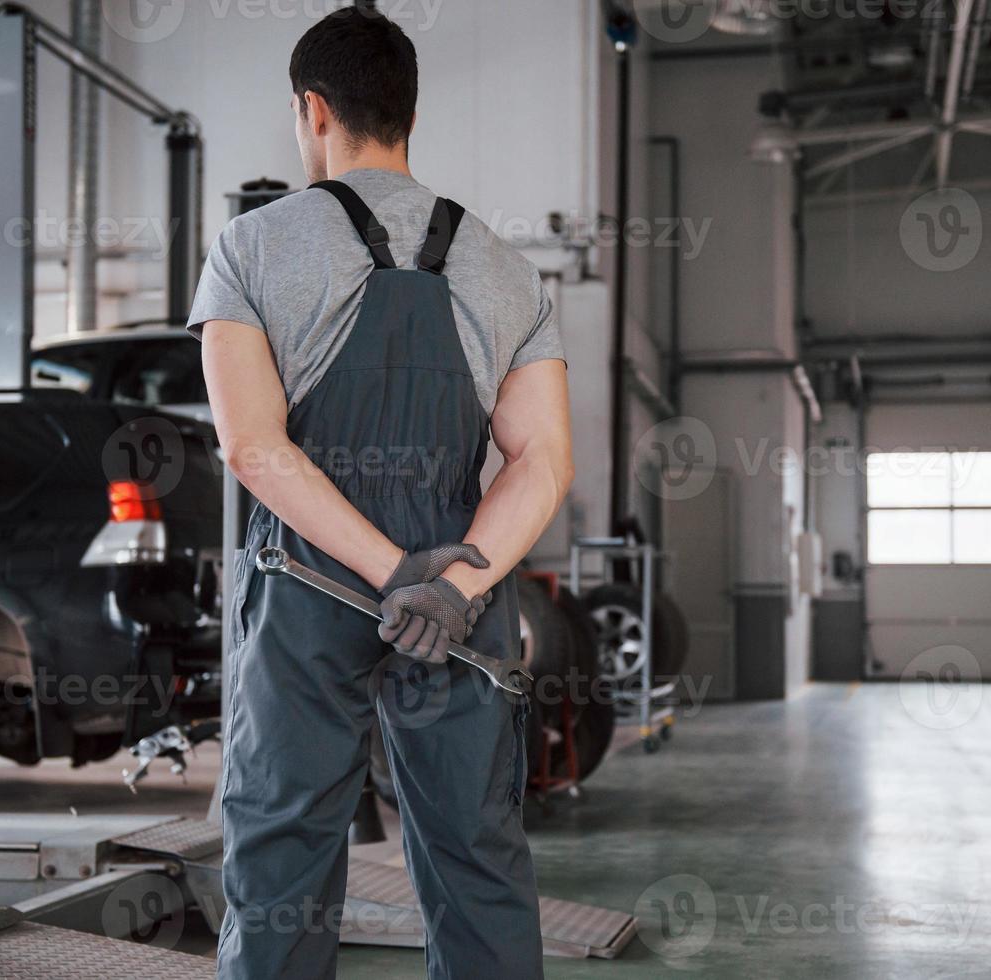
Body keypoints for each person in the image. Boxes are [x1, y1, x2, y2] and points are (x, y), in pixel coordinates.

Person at [190, 7, 572, 979]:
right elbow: (541, 461)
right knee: (473, 852)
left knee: (283, 847)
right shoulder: (505, 269)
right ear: (407, 113)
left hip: (310, 583)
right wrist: (450, 585)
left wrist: (388, 571)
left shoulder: (253, 247)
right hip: (456, 594)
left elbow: (252, 448)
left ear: (312, 110)